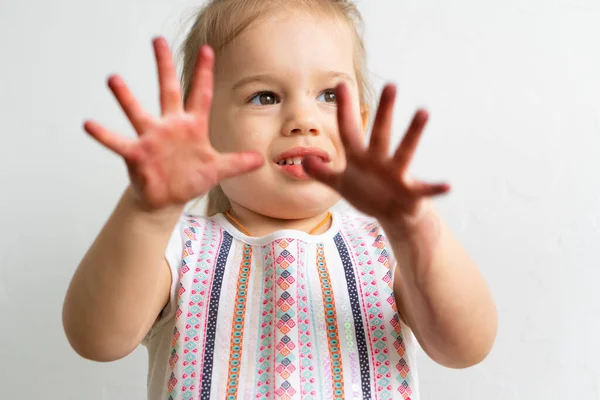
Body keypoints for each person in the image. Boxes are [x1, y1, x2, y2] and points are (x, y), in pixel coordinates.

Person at [62, 0, 498, 399]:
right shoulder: (177, 247)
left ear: (361, 125)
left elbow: (466, 347)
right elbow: (97, 338)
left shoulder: (386, 249)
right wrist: (145, 214)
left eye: (329, 95)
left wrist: (416, 230)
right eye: (264, 97)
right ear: (205, 132)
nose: (303, 120)